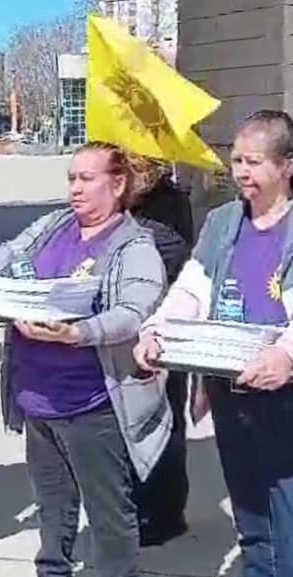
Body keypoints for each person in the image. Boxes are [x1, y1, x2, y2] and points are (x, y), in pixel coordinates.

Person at [0, 141, 170, 577]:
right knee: (52, 501)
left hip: (92, 401)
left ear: (117, 185)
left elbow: (134, 313)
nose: (74, 187)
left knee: (108, 511)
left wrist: (78, 334)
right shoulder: (52, 226)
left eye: (87, 178)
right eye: (71, 177)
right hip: (38, 395)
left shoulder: (133, 245)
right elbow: (1, 262)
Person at [136, 110, 293, 577]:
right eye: (237, 161)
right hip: (235, 396)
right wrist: (159, 330)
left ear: (287, 167)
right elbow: (192, 288)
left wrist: (288, 353)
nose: (241, 174)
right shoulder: (223, 222)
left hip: (289, 400)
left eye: (254, 163)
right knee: (255, 530)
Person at [128, 158, 196, 547]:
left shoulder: (171, 201)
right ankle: (135, 504)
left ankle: (166, 512)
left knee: (164, 419)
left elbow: (171, 251)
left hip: (163, 323)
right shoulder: (118, 202)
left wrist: (119, 231)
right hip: (124, 327)